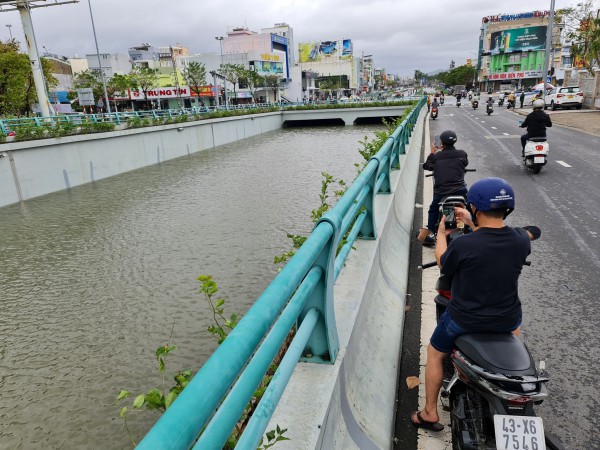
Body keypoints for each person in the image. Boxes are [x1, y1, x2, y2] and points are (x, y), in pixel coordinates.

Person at [410, 177, 535, 432]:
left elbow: (444, 263)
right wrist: (471, 221)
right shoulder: (520, 240)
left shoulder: (464, 244)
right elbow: (511, 236)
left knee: (434, 353)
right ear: (507, 208)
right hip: (507, 319)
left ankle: (430, 412)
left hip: (463, 319)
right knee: (515, 332)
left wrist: (444, 233)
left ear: (476, 208)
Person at [416, 130, 468, 246]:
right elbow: (465, 163)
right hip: (460, 190)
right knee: (470, 205)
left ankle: (431, 232)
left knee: (433, 209)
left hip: (442, 192)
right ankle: (472, 227)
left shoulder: (437, 157)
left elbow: (427, 166)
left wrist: (432, 152)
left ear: (441, 143)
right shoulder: (462, 153)